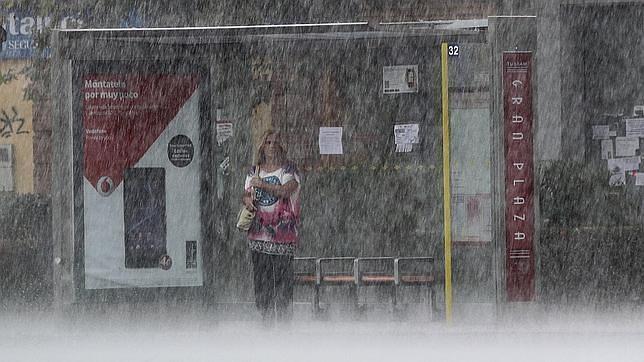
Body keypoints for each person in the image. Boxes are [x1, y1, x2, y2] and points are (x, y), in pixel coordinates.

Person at [243, 129, 301, 324]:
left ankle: (284, 321)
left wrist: (264, 185)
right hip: (258, 236)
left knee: (283, 281)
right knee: (262, 280)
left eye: (275, 142)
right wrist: (248, 201)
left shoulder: (288, 169)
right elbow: (247, 193)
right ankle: (265, 319)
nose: (271, 146)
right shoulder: (254, 171)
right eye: (268, 142)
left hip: (282, 236)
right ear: (262, 146)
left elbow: (287, 190)